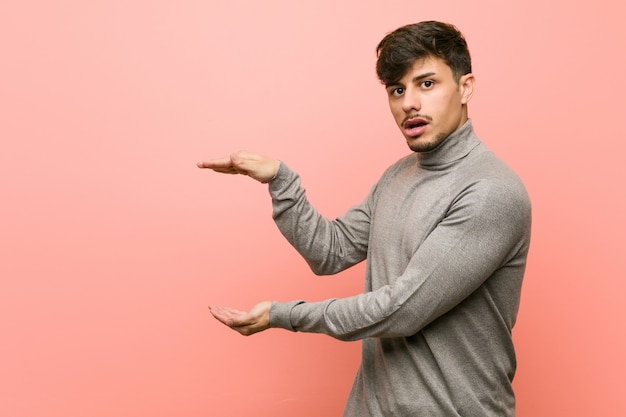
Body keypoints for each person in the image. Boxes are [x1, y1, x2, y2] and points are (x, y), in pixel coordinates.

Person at [198, 21, 531, 417]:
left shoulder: (490, 192)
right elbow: (331, 252)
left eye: (427, 84)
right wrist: (281, 181)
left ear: (465, 87)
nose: (409, 103)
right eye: (397, 90)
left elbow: (402, 310)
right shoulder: (397, 176)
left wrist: (281, 314)